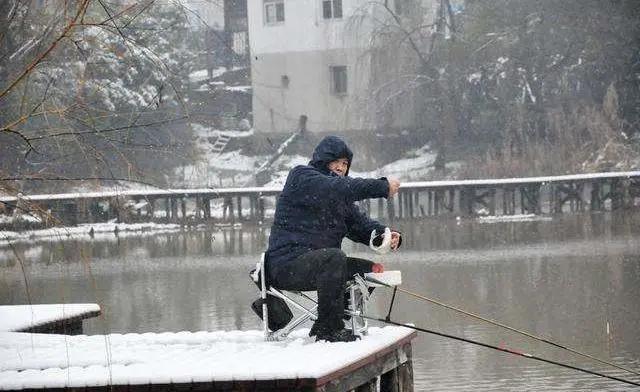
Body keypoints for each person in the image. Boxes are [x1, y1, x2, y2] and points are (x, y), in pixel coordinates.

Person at [265, 135, 402, 342]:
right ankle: (328, 329)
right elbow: (337, 188)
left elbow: (362, 226)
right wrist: (381, 187)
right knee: (334, 258)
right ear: (323, 160)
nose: (341, 167)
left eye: (345, 163)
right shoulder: (302, 177)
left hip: (320, 266)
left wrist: (386, 235)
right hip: (285, 266)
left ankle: (341, 316)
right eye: (336, 161)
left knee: (370, 270)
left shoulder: (339, 200)